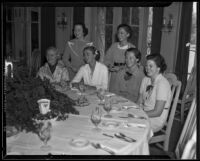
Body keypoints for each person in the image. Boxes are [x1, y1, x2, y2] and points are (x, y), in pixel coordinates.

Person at [137, 54, 171, 132]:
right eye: (146, 66)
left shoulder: (162, 84)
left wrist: (140, 114)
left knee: (130, 126)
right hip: (144, 112)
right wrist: (135, 111)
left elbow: (157, 112)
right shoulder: (145, 80)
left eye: (151, 66)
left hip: (155, 119)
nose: (147, 68)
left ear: (158, 68)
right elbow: (139, 101)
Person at [104, 24, 135, 92]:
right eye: (118, 33)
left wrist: (120, 68)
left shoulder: (132, 48)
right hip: (113, 76)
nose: (119, 35)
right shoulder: (113, 46)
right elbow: (106, 59)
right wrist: (110, 66)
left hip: (126, 77)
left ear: (128, 34)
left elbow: (134, 65)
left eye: (122, 33)